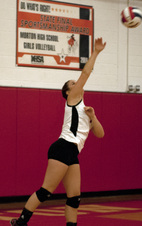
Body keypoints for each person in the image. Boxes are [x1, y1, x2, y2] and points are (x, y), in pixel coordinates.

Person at [10, 37, 106, 226]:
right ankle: (21, 222)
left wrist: (93, 117)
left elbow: (100, 134)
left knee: (74, 197)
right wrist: (96, 52)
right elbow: (86, 73)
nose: (76, 83)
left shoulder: (85, 109)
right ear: (68, 93)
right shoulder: (73, 99)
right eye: (73, 83)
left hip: (72, 152)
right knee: (46, 191)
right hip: (62, 147)